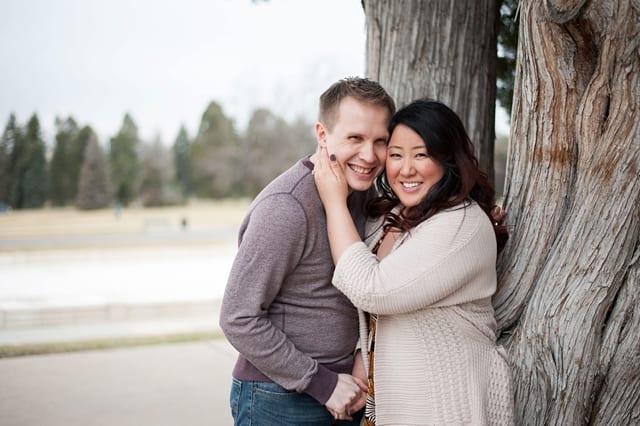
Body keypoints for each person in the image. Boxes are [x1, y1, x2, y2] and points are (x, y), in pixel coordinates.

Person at [313, 98, 515, 425]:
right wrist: (363, 359)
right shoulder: (392, 216)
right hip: (396, 405)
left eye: (420, 154)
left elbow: (373, 290)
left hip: (447, 407)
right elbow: (380, 305)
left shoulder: (460, 222)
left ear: (448, 159)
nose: (406, 169)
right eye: (395, 155)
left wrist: (334, 202)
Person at [219, 77, 396, 425]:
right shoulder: (285, 208)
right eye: (355, 138)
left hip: (344, 392)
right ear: (322, 134)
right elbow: (237, 318)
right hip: (278, 399)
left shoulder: (362, 194)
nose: (370, 155)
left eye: (380, 141)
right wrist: (323, 383)